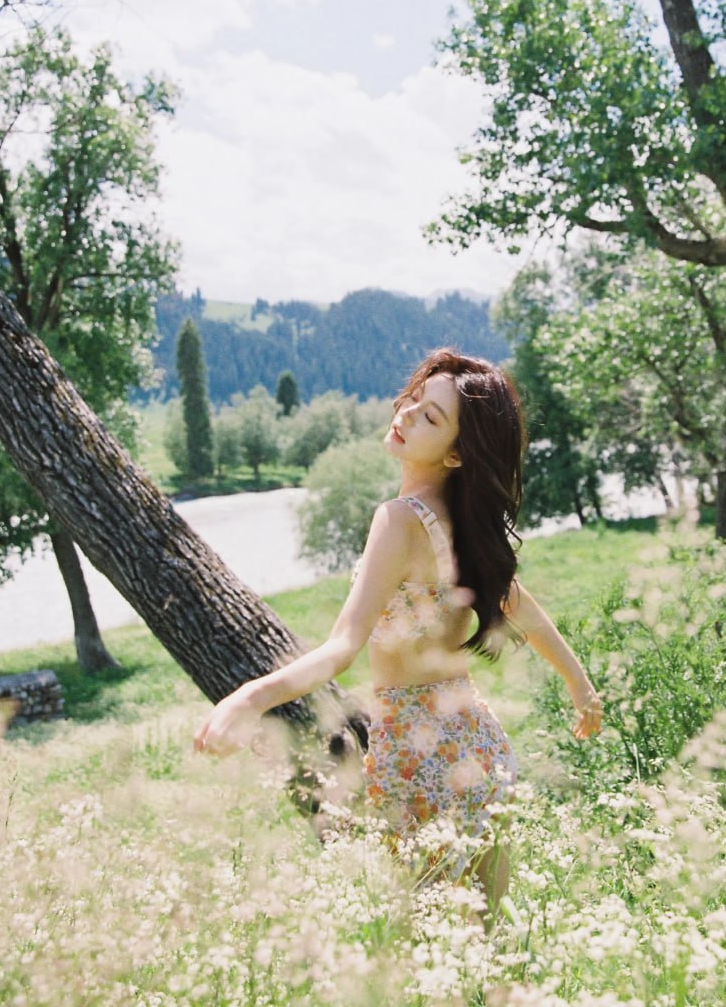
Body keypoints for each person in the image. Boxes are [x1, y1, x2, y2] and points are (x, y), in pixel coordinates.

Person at [195, 348, 602, 907]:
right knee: (485, 937)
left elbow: (343, 645)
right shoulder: (464, 523)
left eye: (431, 416)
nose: (408, 413)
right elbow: (524, 612)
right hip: (476, 741)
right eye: (414, 399)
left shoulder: (401, 518)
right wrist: (582, 687)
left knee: (431, 946)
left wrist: (250, 696)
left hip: (419, 751)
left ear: (458, 455)